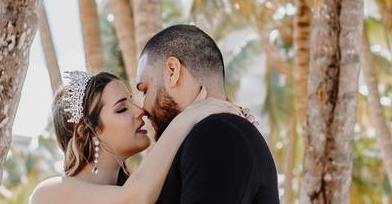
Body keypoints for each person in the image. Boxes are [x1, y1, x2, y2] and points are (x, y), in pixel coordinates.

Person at [30, 70, 244, 204]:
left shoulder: (143, 190)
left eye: (131, 101)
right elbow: (133, 198)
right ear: (86, 132)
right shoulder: (49, 195)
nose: (140, 111)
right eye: (122, 108)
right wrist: (192, 114)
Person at [135, 24, 280, 203]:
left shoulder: (216, 133)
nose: (143, 107)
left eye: (145, 89)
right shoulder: (221, 132)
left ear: (172, 71)